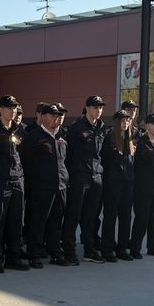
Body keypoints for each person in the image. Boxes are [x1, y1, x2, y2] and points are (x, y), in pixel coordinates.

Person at [20, 103, 69, 268]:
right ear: (44, 117)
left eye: (58, 116)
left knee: (56, 221)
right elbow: (27, 163)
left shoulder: (61, 138)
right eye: (53, 115)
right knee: (38, 221)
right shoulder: (33, 137)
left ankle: (55, 252)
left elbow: (64, 162)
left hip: (60, 186)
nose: (57, 119)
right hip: (41, 187)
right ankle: (34, 253)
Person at [61, 95, 107, 265]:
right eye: (95, 107)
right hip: (80, 176)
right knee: (74, 215)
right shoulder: (76, 127)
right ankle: (69, 251)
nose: (98, 110)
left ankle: (90, 250)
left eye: (100, 107)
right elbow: (68, 153)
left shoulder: (102, 127)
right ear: (87, 108)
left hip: (96, 177)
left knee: (91, 216)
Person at [0, 94, 29, 272]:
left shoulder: (20, 130)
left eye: (14, 108)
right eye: (9, 108)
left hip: (17, 179)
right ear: (1, 110)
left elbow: (25, 154)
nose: (12, 111)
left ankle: (13, 256)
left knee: (16, 221)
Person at [100, 110, 135, 262]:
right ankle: (107, 249)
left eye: (127, 120)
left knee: (126, 217)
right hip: (112, 184)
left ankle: (122, 248)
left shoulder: (130, 139)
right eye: (122, 121)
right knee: (110, 217)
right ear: (116, 123)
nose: (125, 123)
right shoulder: (109, 139)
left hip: (127, 184)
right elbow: (104, 161)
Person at [131, 112, 154, 258]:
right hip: (143, 189)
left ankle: (153, 247)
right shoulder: (140, 143)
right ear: (147, 126)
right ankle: (135, 248)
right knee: (141, 219)